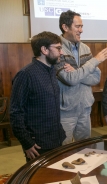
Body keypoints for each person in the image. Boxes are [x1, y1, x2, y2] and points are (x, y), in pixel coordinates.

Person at [55, 10, 107, 144]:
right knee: (64, 152)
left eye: (82, 26)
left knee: (84, 148)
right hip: (66, 110)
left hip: (85, 108)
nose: (81, 30)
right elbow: (70, 79)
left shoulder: (85, 48)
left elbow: (96, 78)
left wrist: (76, 71)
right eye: (78, 26)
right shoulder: (57, 49)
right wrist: (95, 61)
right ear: (65, 27)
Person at [10, 31, 66, 161]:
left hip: (56, 139)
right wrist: (27, 143)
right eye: (58, 48)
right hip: (38, 144)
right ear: (44, 50)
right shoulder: (25, 75)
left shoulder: (52, 70)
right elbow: (15, 112)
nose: (61, 52)